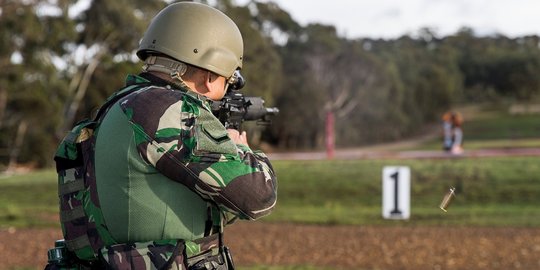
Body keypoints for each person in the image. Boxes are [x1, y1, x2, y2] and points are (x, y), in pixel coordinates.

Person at [47, 2, 277, 269]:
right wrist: (243, 150)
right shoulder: (171, 111)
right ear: (210, 76)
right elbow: (257, 196)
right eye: (228, 80)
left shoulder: (116, 108)